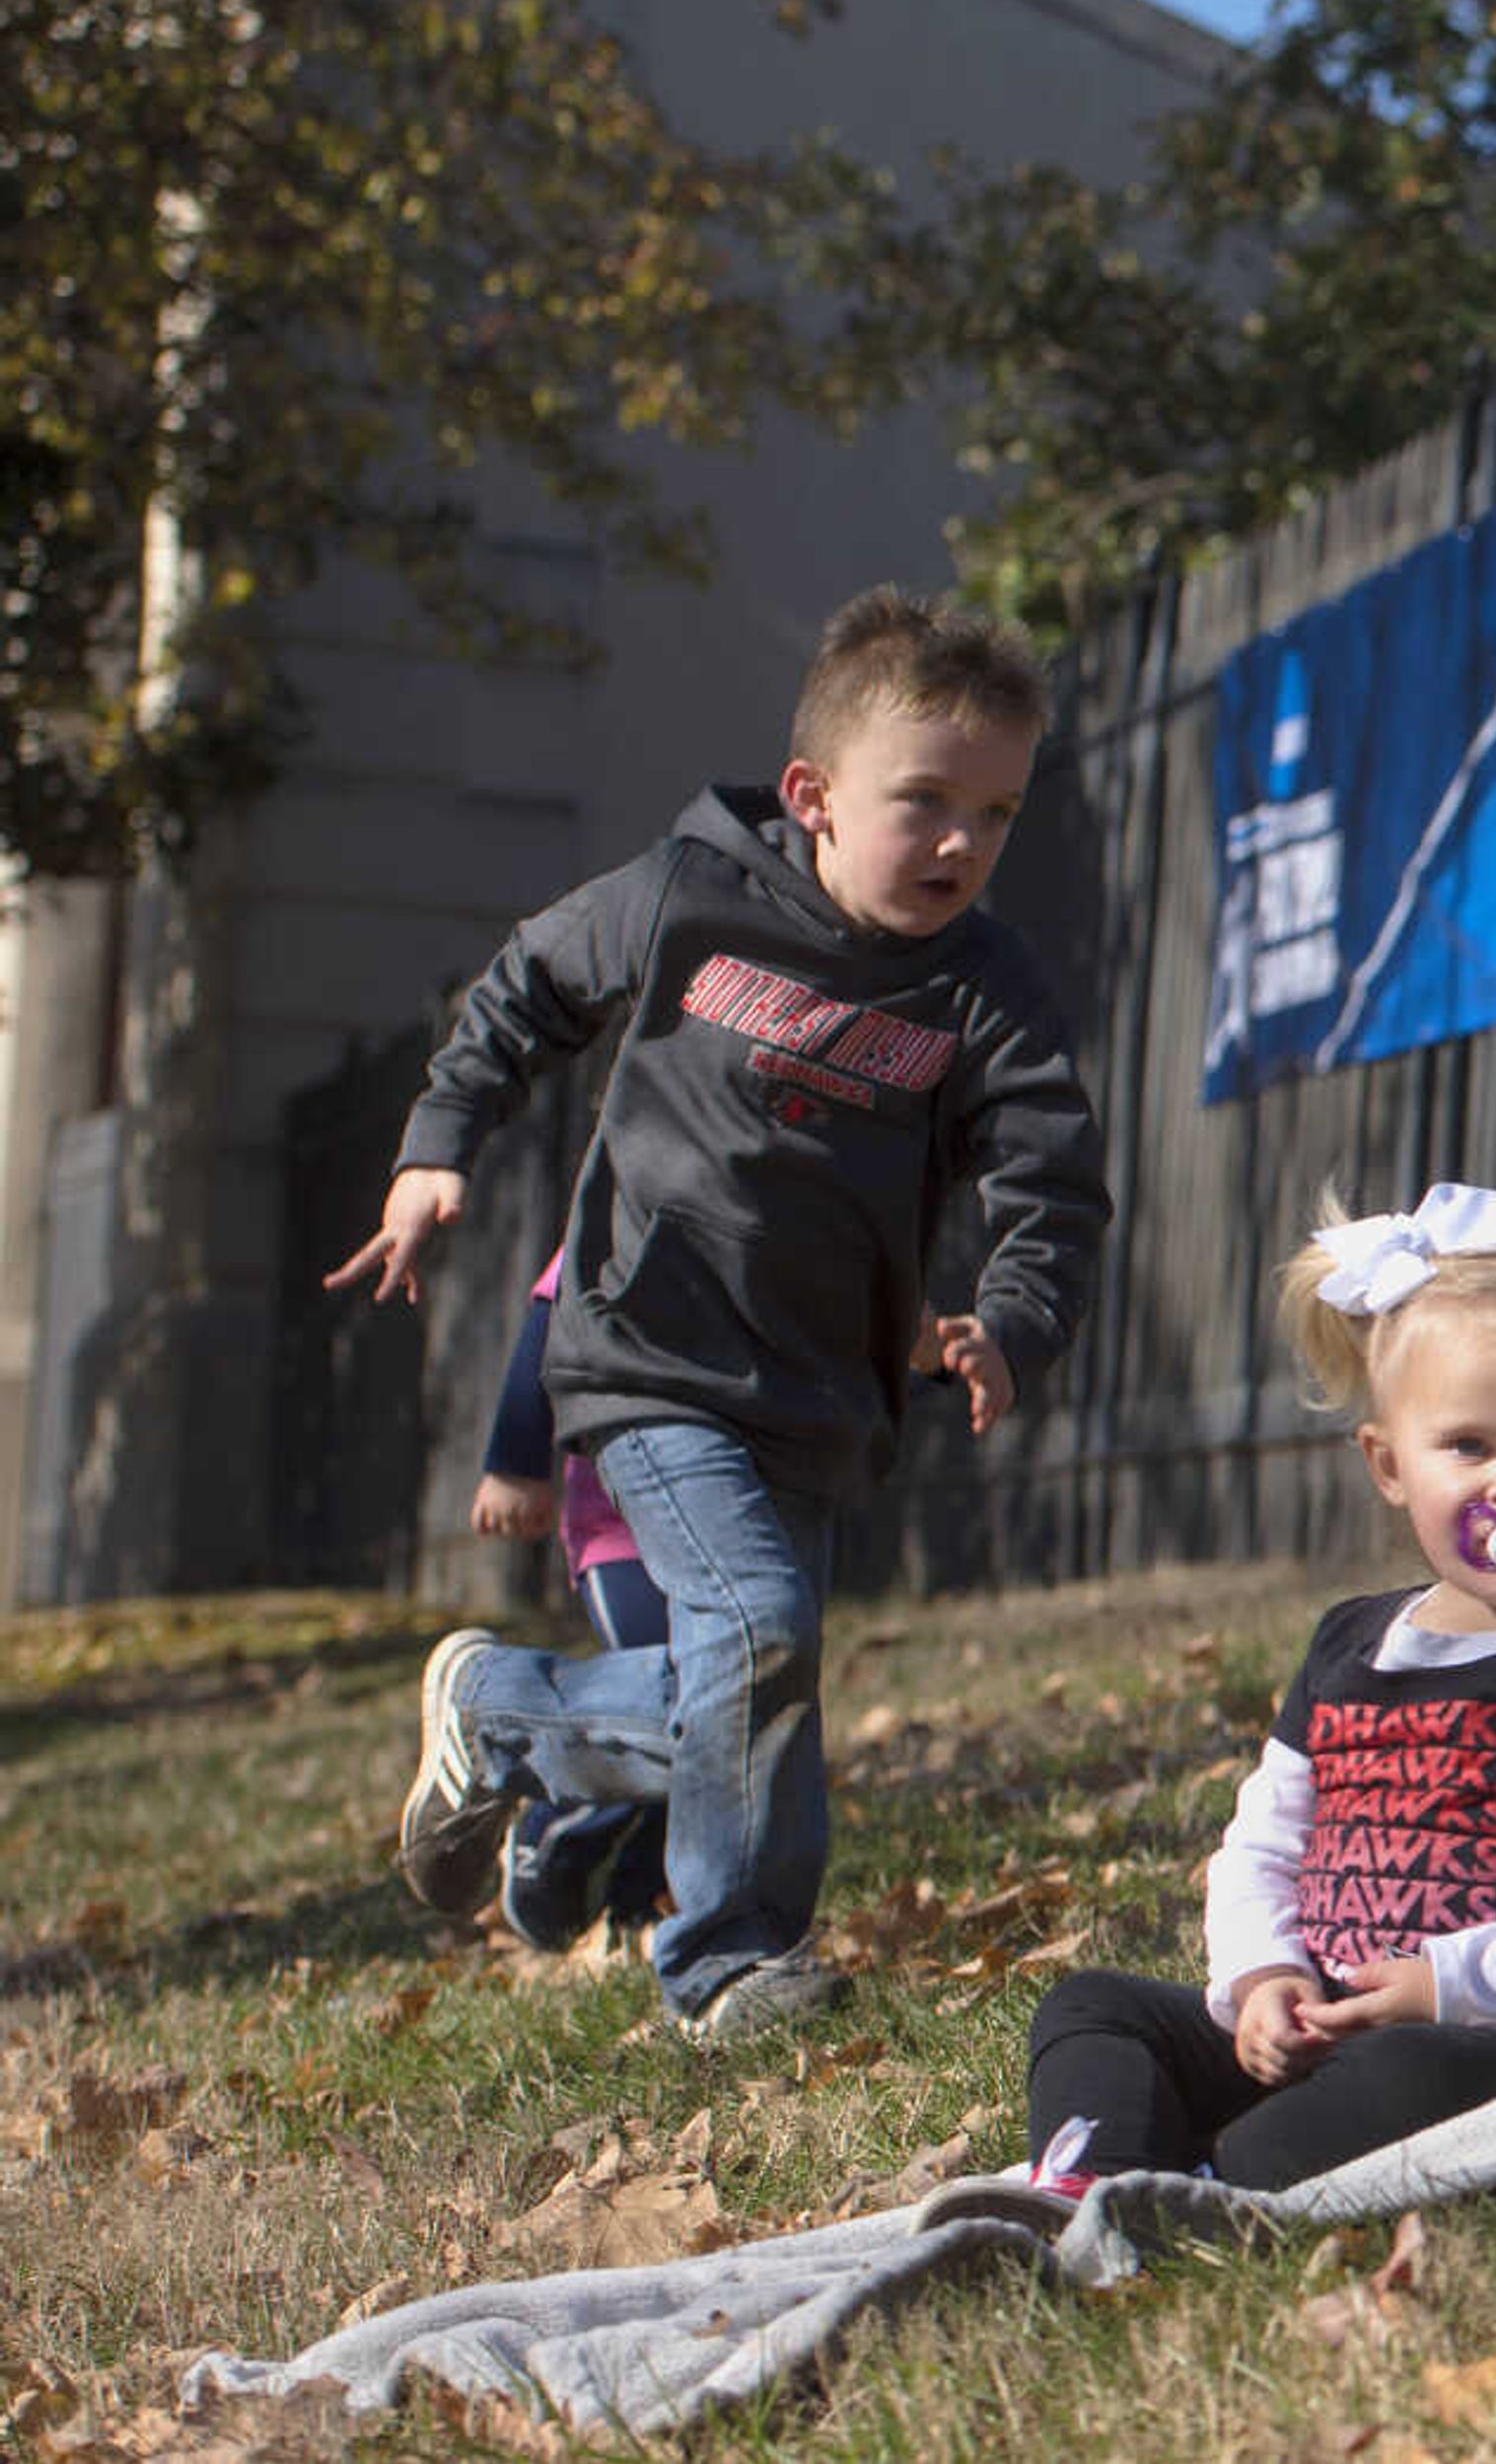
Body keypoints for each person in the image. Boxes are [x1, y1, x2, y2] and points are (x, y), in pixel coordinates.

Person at [328, 585, 1110, 2040]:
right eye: (924, 800)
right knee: (756, 1630)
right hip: (651, 1354)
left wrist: (1013, 1317)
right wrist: (437, 1145)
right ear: (812, 795)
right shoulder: (691, 889)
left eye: (996, 813)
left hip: (822, 1393)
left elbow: (1050, 1180)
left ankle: (508, 1714)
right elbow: (525, 988)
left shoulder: (983, 990)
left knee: (753, 1675)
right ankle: (729, 1959)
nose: (961, 843)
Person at [990, 1184, 1496, 2209]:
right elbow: (1262, 1844)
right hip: (1314, 2014)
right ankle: (1087, 2186)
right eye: (1470, 1445)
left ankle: (1207, 2190)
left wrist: (1452, 1986)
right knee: (1094, 2005)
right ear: (1390, 1464)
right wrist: (1264, 1980)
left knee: (1407, 2077)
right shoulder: (1352, 1643)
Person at [468, 1249, 670, 1952]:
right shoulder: (637, 1174)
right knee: (678, 1696)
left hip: (738, 1512)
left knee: (735, 1708)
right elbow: (553, 1314)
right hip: (621, 1525)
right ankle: (551, 1832)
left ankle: (640, 1899)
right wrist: (515, 1461)